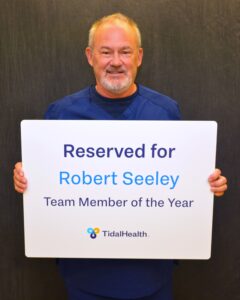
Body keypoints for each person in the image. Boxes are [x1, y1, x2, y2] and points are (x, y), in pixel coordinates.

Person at [13, 13, 227, 300]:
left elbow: (179, 182)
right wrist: (29, 180)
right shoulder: (61, 114)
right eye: (106, 52)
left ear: (138, 57)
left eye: (125, 52)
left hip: (151, 272)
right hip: (85, 273)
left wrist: (207, 184)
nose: (116, 61)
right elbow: (49, 187)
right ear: (90, 56)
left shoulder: (165, 112)